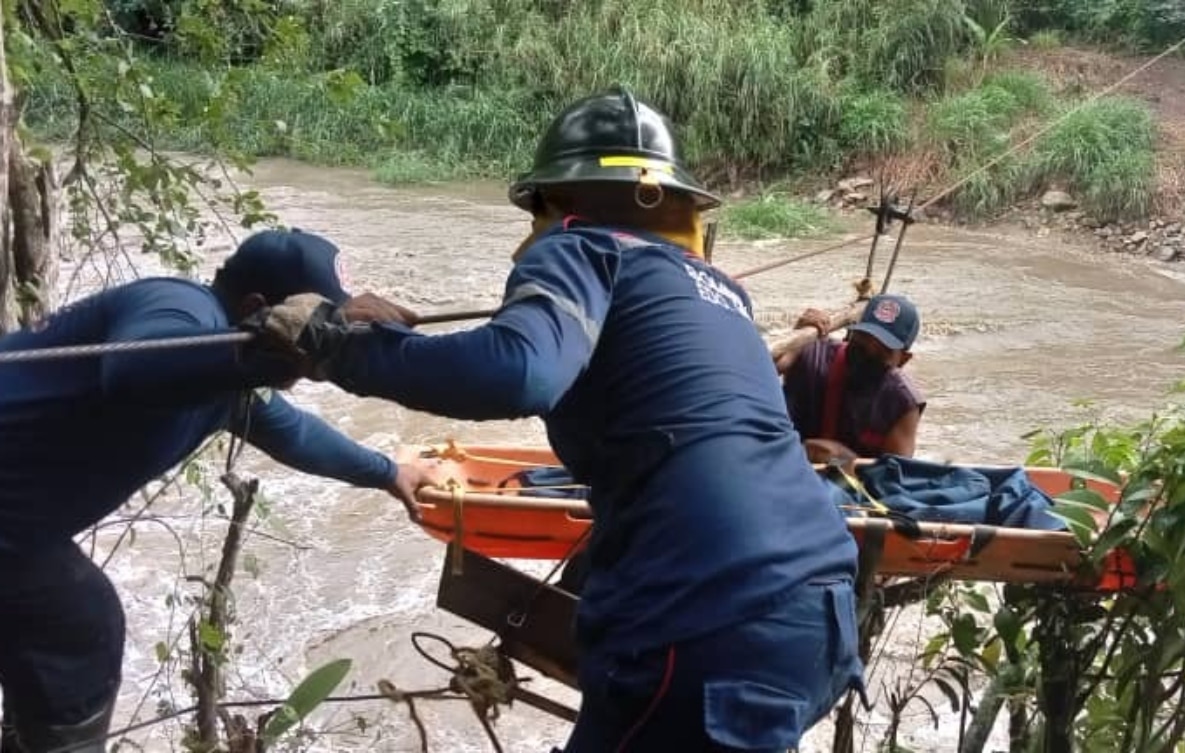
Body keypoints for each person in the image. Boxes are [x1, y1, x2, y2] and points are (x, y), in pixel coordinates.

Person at [246, 88, 865, 752]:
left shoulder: (581, 247)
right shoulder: (720, 293)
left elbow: (517, 371)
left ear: (558, 201)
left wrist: (344, 346)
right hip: (821, 605)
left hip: (713, 616)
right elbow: (677, 447)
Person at [0, 228, 428, 753]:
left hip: (16, 530)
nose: (314, 354)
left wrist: (389, 473)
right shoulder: (180, 305)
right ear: (256, 308)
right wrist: (264, 354)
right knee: (81, 629)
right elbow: (133, 368)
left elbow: (296, 434)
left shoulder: (226, 387)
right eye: (309, 323)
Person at [781, 294, 926, 466]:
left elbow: (893, 478)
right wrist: (795, 338)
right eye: (863, 339)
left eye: (883, 350)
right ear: (851, 333)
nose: (869, 352)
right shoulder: (812, 355)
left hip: (853, 486)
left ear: (903, 359)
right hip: (785, 468)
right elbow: (756, 372)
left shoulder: (902, 401)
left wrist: (840, 459)